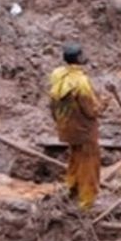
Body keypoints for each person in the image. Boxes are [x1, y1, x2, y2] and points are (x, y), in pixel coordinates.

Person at [48, 43, 106, 210]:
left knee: (75, 158)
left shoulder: (57, 74)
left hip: (66, 127)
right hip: (84, 130)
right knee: (89, 163)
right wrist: (105, 103)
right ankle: (86, 201)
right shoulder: (81, 82)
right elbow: (91, 111)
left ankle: (71, 189)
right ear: (79, 58)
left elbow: (52, 102)